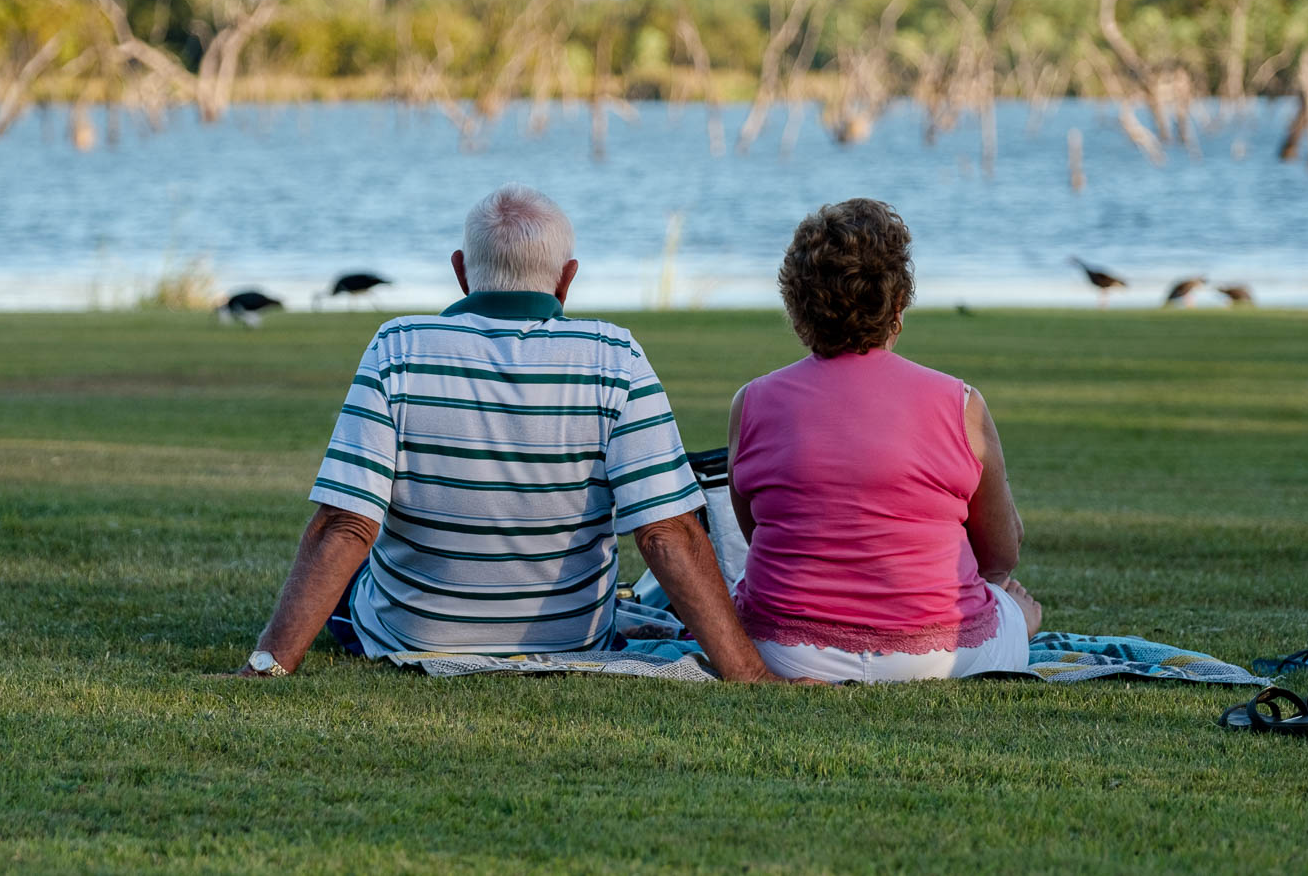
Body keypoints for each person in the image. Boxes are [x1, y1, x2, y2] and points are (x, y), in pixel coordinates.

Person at [237, 184, 780, 682]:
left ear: (461, 272)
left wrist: (270, 663)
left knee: (352, 589)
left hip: (416, 639)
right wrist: (749, 675)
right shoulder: (615, 358)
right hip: (573, 640)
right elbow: (668, 534)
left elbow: (346, 523)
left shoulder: (397, 348)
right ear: (567, 278)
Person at [727, 199, 1042, 684]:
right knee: (1007, 598)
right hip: (941, 657)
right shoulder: (960, 404)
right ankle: (1021, 622)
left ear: (797, 308)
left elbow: (756, 532)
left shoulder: (751, 403)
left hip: (784, 650)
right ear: (898, 307)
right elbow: (1000, 555)